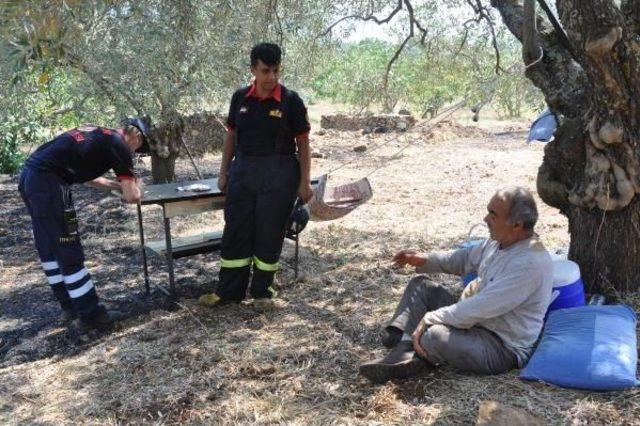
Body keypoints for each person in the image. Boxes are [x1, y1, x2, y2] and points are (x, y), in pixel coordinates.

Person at [359, 187, 553, 383]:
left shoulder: (530, 264)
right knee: (420, 286)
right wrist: (425, 259)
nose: (485, 219)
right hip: (475, 322)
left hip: (500, 345)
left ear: (517, 224)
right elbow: (464, 258)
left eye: (493, 214)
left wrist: (431, 318)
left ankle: (410, 351)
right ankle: (405, 346)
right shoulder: (499, 242)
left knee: (434, 335)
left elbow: (481, 307)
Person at [198, 43, 312, 309]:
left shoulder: (291, 101)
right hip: (242, 174)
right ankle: (228, 292)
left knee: (269, 234)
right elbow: (231, 136)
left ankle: (262, 293)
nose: (271, 77)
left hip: (279, 176)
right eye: (265, 70)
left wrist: (304, 182)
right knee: (236, 231)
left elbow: (304, 143)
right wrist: (223, 172)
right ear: (253, 69)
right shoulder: (240, 98)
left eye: (275, 70)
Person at [18, 118, 149, 330]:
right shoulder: (119, 144)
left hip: (30, 179)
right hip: (50, 184)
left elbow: (88, 178)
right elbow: (133, 196)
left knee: (50, 248)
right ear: (136, 136)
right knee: (69, 247)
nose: (135, 152)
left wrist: (118, 185)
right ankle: (91, 314)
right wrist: (135, 188)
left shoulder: (100, 135)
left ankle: (69, 306)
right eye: (139, 147)